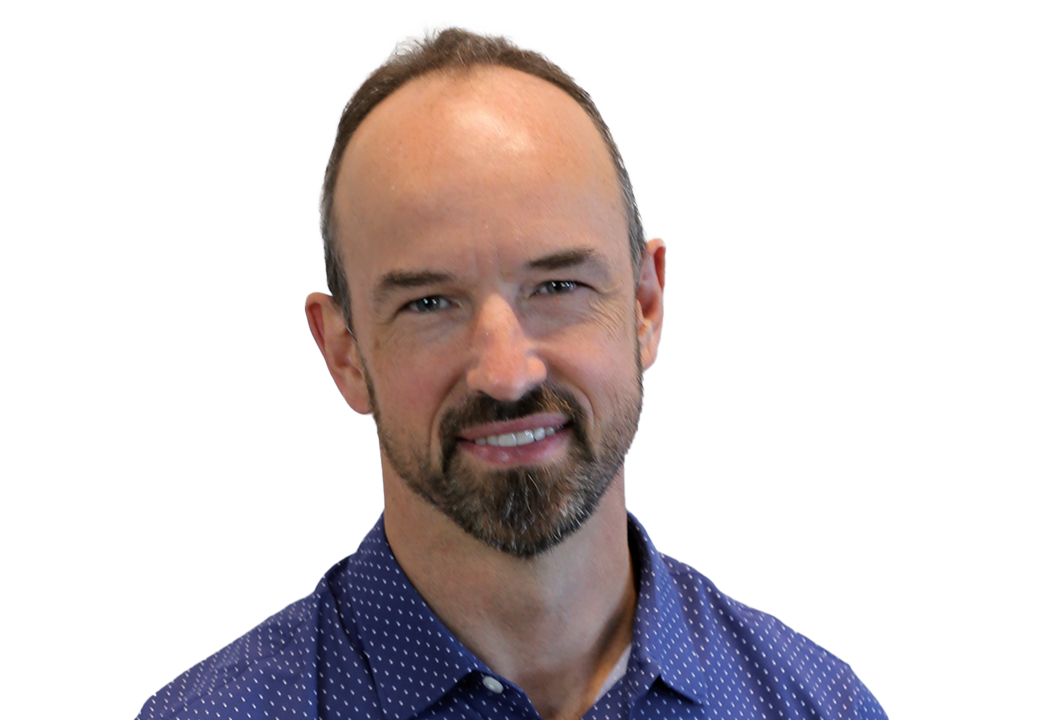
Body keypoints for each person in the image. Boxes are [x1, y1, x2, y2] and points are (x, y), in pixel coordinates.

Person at [137, 20, 888, 720]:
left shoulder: (818, 703)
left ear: (647, 305)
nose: (506, 372)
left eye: (558, 287)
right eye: (430, 302)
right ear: (343, 352)